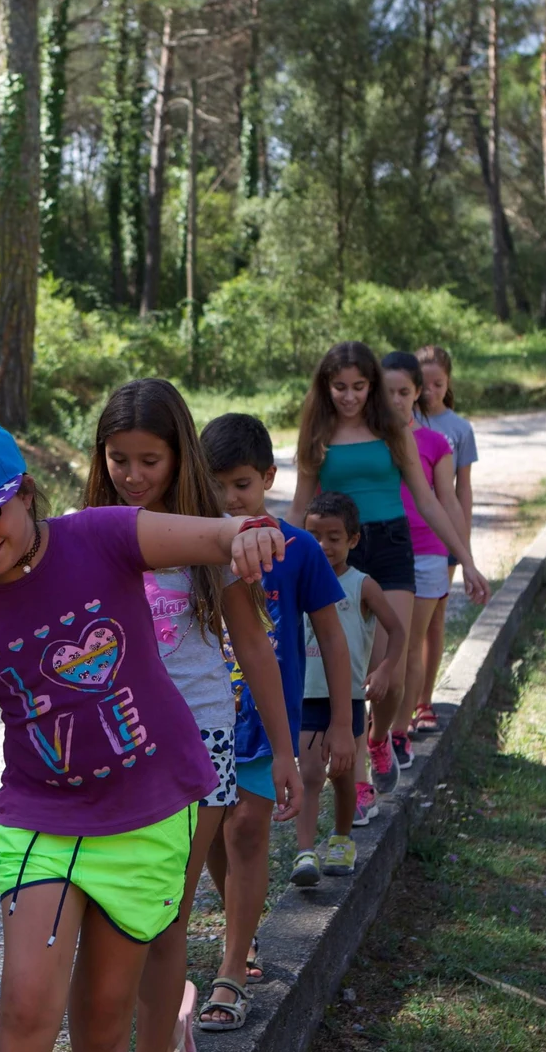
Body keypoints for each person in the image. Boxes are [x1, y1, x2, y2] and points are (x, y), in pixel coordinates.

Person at [0, 414, 289, 1052]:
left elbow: (211, 534)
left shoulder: (99, 536)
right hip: (42, 822)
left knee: (104, 1025)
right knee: (26, 1013)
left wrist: (244, 533)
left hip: (151, 814)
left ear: (25, 492)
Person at [82, 381, 301, 1050]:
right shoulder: (84, 532)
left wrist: (286, 752)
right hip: (117, 742)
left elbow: (256, 647)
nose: (133, 474)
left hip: (200, 740)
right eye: (119, 458)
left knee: (167, 915)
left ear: (179, 457)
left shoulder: (212, 541)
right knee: (116, 912)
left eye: (150, 459)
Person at [196, 412, 353, 1030]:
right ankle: (242, 925)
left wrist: (340, 724)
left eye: (241, 484)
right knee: (209, 836)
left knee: (245, 833)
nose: (229, 499)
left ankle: (231, 973)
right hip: (203, 724)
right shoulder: (192, 549)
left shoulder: (300, 549)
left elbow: (333, 642)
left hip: (267, 726)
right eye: (216, 486)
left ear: (268, 477)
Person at [288, 341, 489, 799]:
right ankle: (359, 783)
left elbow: (428, 499)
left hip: (393, 546)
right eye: (339, 387)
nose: (349, 396)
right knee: (356, 669)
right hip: (338, 554)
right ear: (325, 387)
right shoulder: (317, 433)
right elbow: (301, 504)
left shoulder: (393, 427)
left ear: (372, 386)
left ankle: (379, 740)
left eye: (359, 386)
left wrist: (467, 558)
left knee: (390, 673)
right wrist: (275, 556)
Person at [290, 491, 405, 885]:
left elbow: (397, 629)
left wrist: (386, 669)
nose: (324, 546)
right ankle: (305, 852)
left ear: (353, 540)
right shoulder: (297, 582)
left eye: (334, 537)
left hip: (349, 699)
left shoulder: (361, 586)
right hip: (305, 695)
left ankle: (341, 839)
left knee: (341, 775)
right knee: (308, 774)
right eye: (314, 536)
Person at [380, 350, 463, 770]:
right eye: (387, 391)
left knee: (410, 645)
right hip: (378, 551)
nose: (395, 400)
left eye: (404, 392)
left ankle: (398, 732)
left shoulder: (436, 442)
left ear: (416, 394)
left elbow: (446, 501)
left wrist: (464, 556)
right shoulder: (368, 439)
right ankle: (375, 733)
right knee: (378, 650)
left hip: (428, 553)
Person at [406, 345, 480, 745]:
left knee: (434, 619)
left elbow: (461, 491)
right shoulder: (400, 422)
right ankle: (397, 701)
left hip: (444, 536)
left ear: (448, 383)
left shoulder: (459, 429)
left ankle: (424, 702)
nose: (431, 391)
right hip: (407, 536)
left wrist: (462, 542)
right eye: (425, 383)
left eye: (439, 383)